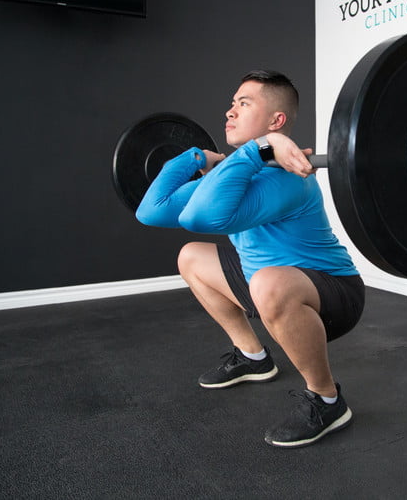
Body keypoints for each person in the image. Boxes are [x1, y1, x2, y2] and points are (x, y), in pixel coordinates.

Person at [135, 70, 365, 448]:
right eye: (232, 103)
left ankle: (327, 399)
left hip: (331, 294)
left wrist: (256, 151)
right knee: (191, 256)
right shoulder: (240, 170)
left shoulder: (289, 178)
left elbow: (199, 217)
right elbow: (151, 210)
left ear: (277, 122)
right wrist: (195, 157)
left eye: (244, 104)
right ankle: (253, 356)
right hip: (264, 283)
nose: (230, 111)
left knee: (267, 282)